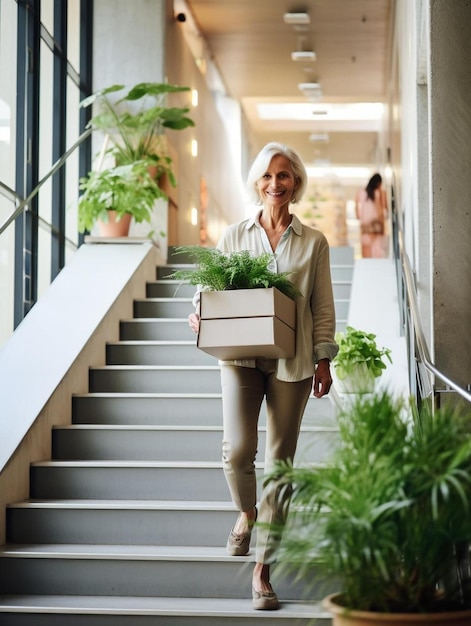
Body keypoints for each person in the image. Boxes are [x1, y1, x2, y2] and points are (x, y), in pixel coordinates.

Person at [188, 142, 338, 611]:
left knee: (280, 464)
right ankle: (247, 514)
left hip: (292, 361)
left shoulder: (313, 242)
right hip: (240, 356)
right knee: (237, 450)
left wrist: (324, 358)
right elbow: (208, 287)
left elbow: (322, 306)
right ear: (258, 182)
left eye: (285, 176)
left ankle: (262, 569)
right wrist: (199, 311)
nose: (276, 183)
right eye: (269, 176)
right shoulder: (234, 235)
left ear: (296, 184)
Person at [355, 173, 388, 258]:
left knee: (366, 253)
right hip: (375, 225)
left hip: (365, 226)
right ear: (378, 183)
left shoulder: (361, 192)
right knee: (377, 253)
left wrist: (360, 217)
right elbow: (380, 210)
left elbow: (356, 209)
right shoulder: (378, 192)